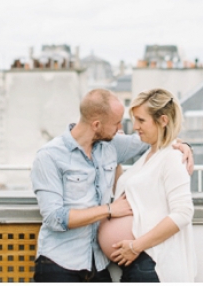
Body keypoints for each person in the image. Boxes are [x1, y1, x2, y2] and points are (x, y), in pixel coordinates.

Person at [31, 88, 193, 282]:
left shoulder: (111, 145)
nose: (122, 129)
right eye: (116, 124)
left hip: (98, 266)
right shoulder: (49, 156)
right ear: (97, 125)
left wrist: (184, 146)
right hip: (60, 265)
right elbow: (54, 218)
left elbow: (158, 137)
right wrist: (109, 210)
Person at [98, 89, 196, 282]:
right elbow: (128, 192)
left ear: (163, 121)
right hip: (139, 262)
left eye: (141, 121)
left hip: (152, 262)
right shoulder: (149, 156)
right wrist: (115, 158)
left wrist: (136, 246)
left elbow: (183, 213)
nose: (135, 127)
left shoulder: (172, 158)